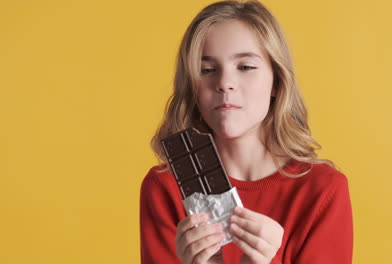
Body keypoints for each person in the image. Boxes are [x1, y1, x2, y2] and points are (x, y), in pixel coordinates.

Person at [140, 0, 353, 263]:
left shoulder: (322, 190)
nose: (225, 83)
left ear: (277, 80)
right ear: (192, 87)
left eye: (245, 67)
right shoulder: (165, 188)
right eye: (207, 70)